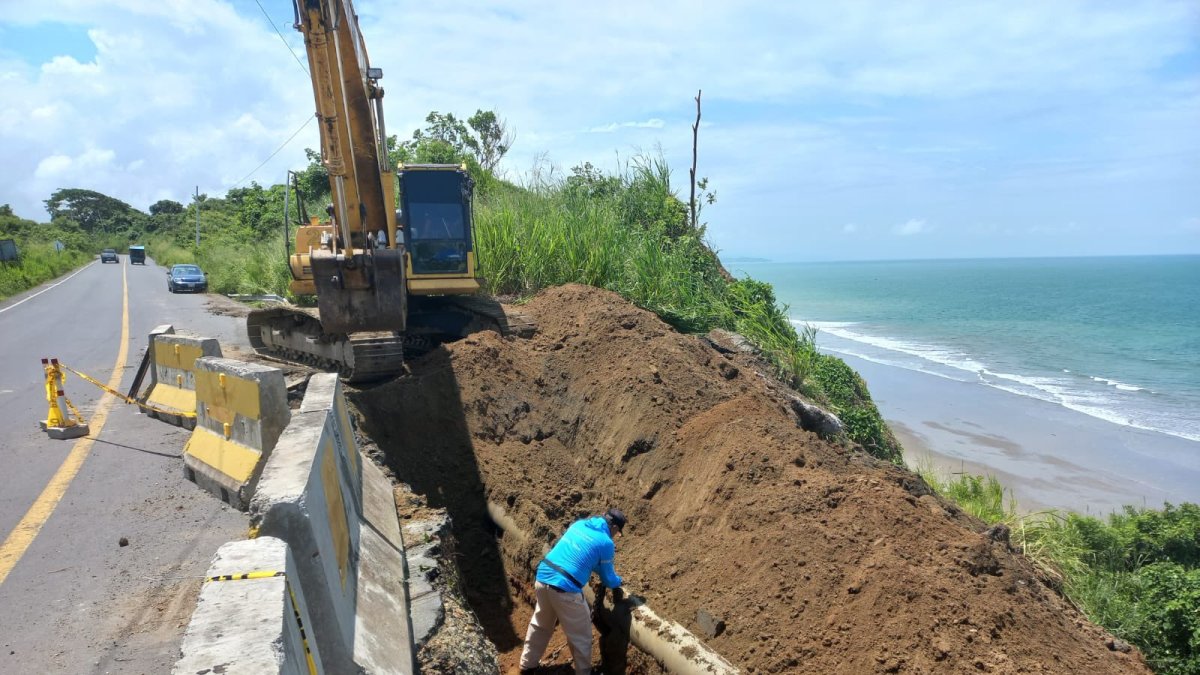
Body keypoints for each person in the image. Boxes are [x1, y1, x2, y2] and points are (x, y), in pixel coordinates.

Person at [519, 508, 627, 675]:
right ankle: (584, 672)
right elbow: (608, 578)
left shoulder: (580, 524)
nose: (616, 536)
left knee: (541, 624)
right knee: (582, 637)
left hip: (543, 576)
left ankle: (527, 666)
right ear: (614, 528)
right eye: (618, 533)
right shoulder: (606, 542)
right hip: (565, 588)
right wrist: (619, 581)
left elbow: (583, 555)